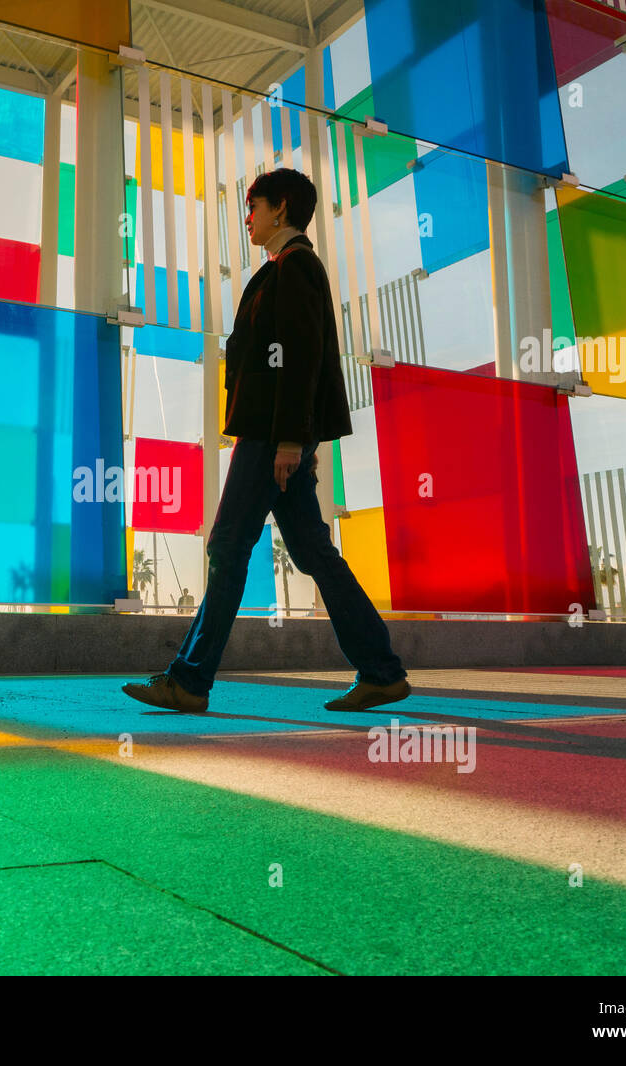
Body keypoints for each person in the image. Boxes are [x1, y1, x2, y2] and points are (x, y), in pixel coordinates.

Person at [122, 168, 410, 715]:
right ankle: (382, 671)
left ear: (280, 208)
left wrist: (288, 441)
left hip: (272, 439)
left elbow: (299, 360)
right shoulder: (281, 268)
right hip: (277, 438)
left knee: (228, 546)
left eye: (252, 206)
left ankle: (189, 679)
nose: (247, 216)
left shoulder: (295, 267)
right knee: (312, 552)